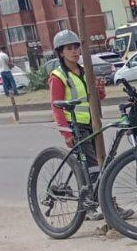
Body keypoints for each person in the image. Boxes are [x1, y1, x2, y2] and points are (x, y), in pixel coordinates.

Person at [48, 30, 120, 221]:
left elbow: (97, 97)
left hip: (92, 123)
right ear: (61, 52)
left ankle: (108, 205)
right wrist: (66, 133)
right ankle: (91, 206)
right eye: (69, 48)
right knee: (92, 166)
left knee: (102, 164)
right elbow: (56, 106)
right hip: (75, 125)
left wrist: (100, 90)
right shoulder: (58, 76)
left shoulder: (85, 71)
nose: (74, 51)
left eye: (76, 47)